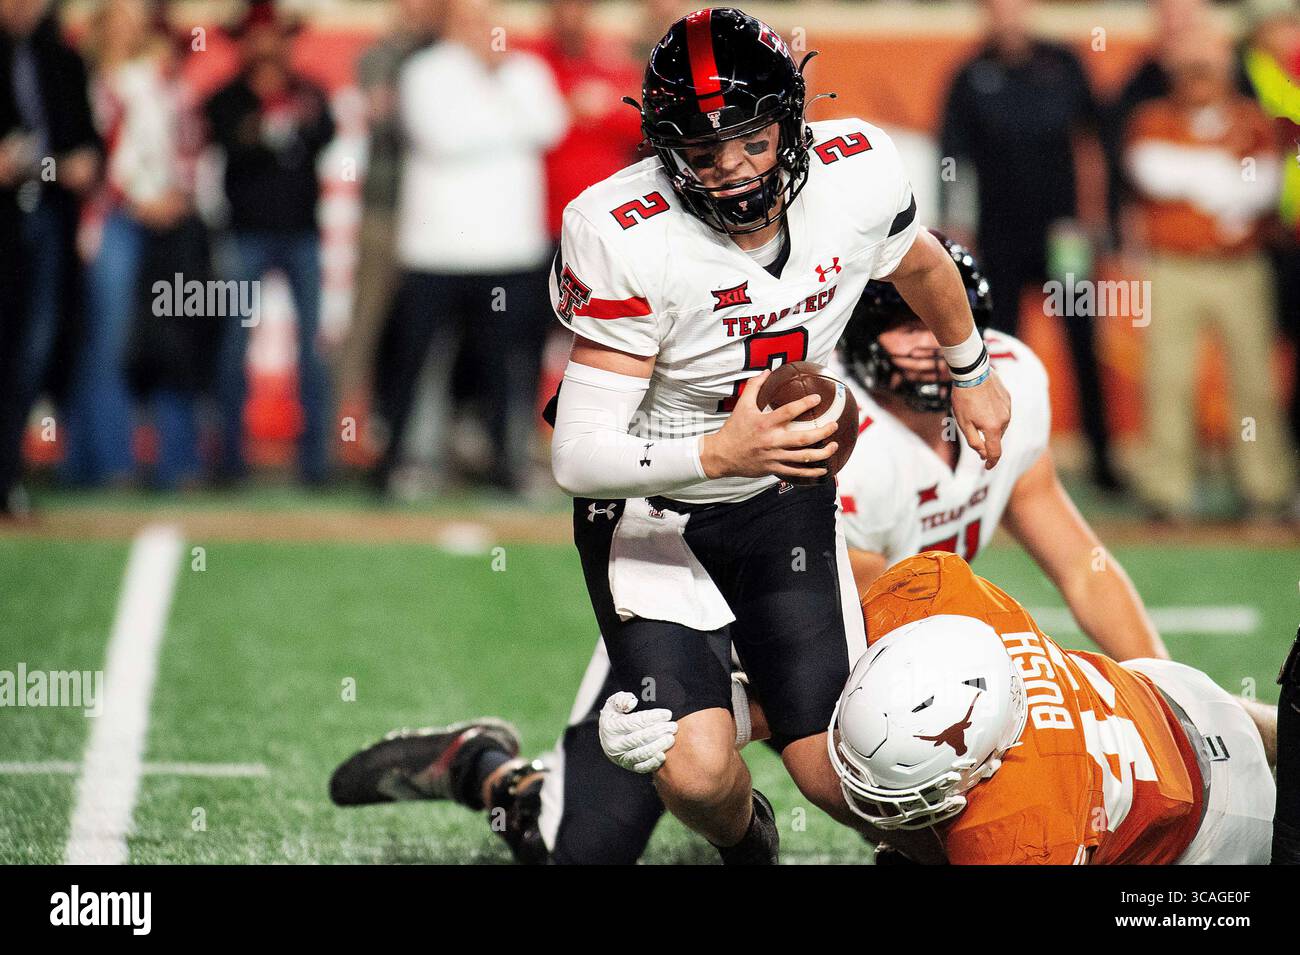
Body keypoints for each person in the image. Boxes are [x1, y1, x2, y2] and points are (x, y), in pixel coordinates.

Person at [335, 9, 1012, 865]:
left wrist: (971, 367)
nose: (730, 171)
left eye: (751, 141)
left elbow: (918, 263)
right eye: (700, 151)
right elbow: (577, 456)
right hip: (651, 511)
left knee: (843, 772)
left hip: (780, 496)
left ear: (792, 120)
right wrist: (717, 453)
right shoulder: (625, 230)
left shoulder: (858, 172)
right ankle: (495, 771)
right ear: (663, 148)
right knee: (655, 804)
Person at [328, 235, 1168, 864]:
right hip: (714, 615)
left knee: (903, 778)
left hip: (861, 648)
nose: (923, 344)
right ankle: (486, 767)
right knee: (580, 848)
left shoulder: (1006, 382)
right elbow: (872, 587)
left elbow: (1078, 556)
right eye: (900, 325)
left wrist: (1159, 683)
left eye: (936, 326)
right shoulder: (835, 432)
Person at [820, 551, 1278, 864]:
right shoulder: (943, 594)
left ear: (986, 759)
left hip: (1215, 828)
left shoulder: (1020, 833)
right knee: (1231, 717)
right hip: (1164, 696)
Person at [372, 0, 567, 496]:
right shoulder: (424, 72)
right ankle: (396, 463)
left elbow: (551, 126)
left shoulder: (526, 70)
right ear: (452, 25)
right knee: (413, 361)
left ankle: (508, 465)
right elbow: (440, 136)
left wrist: (493, 95)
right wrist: (506, 119)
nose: (482, 31)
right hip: (434, 250)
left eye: (489, 19)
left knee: (509, 366)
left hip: (511, 249)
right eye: (470, 20)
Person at [939, 0, 1121, 492]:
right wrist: (957, 234)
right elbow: (952, 159)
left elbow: (1100, 142)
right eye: (998, 8)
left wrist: (1099, 220)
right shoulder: (970, 75)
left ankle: (1103, 462)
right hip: (1000, 239)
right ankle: (999, 464)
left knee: (1083, 343)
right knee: (997, 347)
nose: (1008, 16)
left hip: (1065, 237)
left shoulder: (1064, 63)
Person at [1125, 25, 1296, 522]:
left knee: (1255, 381)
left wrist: (1200, 181)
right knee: (1167, 379)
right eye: (1189, 67)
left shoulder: (1253, 120)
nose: (1199, 77)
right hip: (1172, 266)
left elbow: (1263, 186)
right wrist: (1219, 183)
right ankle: (1167, 492)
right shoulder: (1153, 118)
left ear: (1227, 69)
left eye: (1209, 66)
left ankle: (1265, 489)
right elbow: (1151, 172)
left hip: (1239, 268)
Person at [205, 0, 335, 485]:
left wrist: (289, 119)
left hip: (302, 233)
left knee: (313, 349)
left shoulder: (311, 93)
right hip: (244, 234)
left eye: (273, 34)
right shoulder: (226, 98)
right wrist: (268, 124)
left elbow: (324, 134)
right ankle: (230, 462)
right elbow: (231, 143)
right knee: (232, 344)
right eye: (257, 35)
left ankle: (316, 464)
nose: (266, 45)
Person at [0, 0, 99, 512]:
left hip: (46, 224)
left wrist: (51, 167)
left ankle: (8, 478)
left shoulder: (61, 60)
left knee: (31, 353)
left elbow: (84, 151)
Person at [336, 0, 442, 439]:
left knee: (431, 333)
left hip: (439, 212)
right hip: (386, 206)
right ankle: (337, 442)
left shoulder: (446, 56)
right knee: (365, 325)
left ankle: (422, 446)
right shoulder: (382, 56)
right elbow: (390, 118)